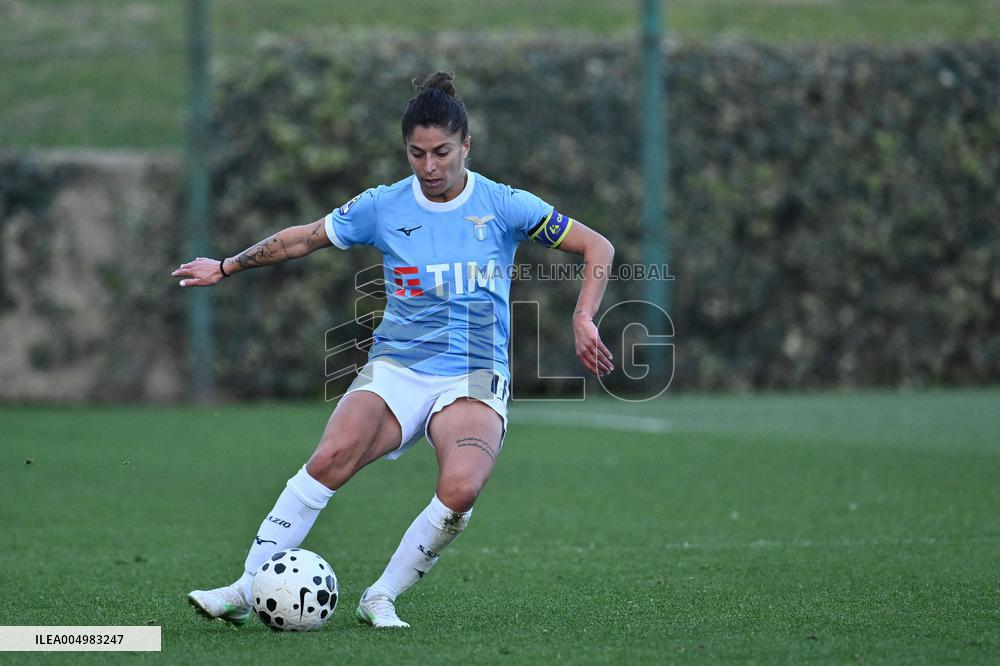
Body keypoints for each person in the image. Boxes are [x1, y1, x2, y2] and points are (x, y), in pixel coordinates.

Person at [173, 72, 615, 629]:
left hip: (475, 372)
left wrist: (582, 316)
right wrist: (226, 265)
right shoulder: (383, 206)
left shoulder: (504, 204)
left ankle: (381, 595)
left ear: (467, 146)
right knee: (329, 459)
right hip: (399, 365)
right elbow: (304, 237)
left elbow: (597, 246)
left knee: (461, 488)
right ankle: (244, 586)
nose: (429, 167)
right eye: (416, 153)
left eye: (442, 152)